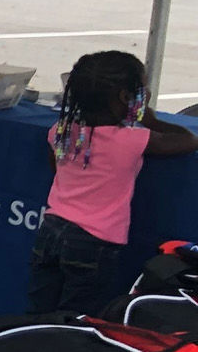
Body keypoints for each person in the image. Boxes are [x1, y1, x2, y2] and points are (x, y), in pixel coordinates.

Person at [29, 49, 196, 313]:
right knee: (79, 317)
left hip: (51, 232)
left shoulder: (61, 131)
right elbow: (188, 140)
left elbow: (56, 168)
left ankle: (29, 349)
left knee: (41, 308)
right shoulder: (130, 139)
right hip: (93, 242)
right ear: (125, 97)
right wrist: (149, 118)